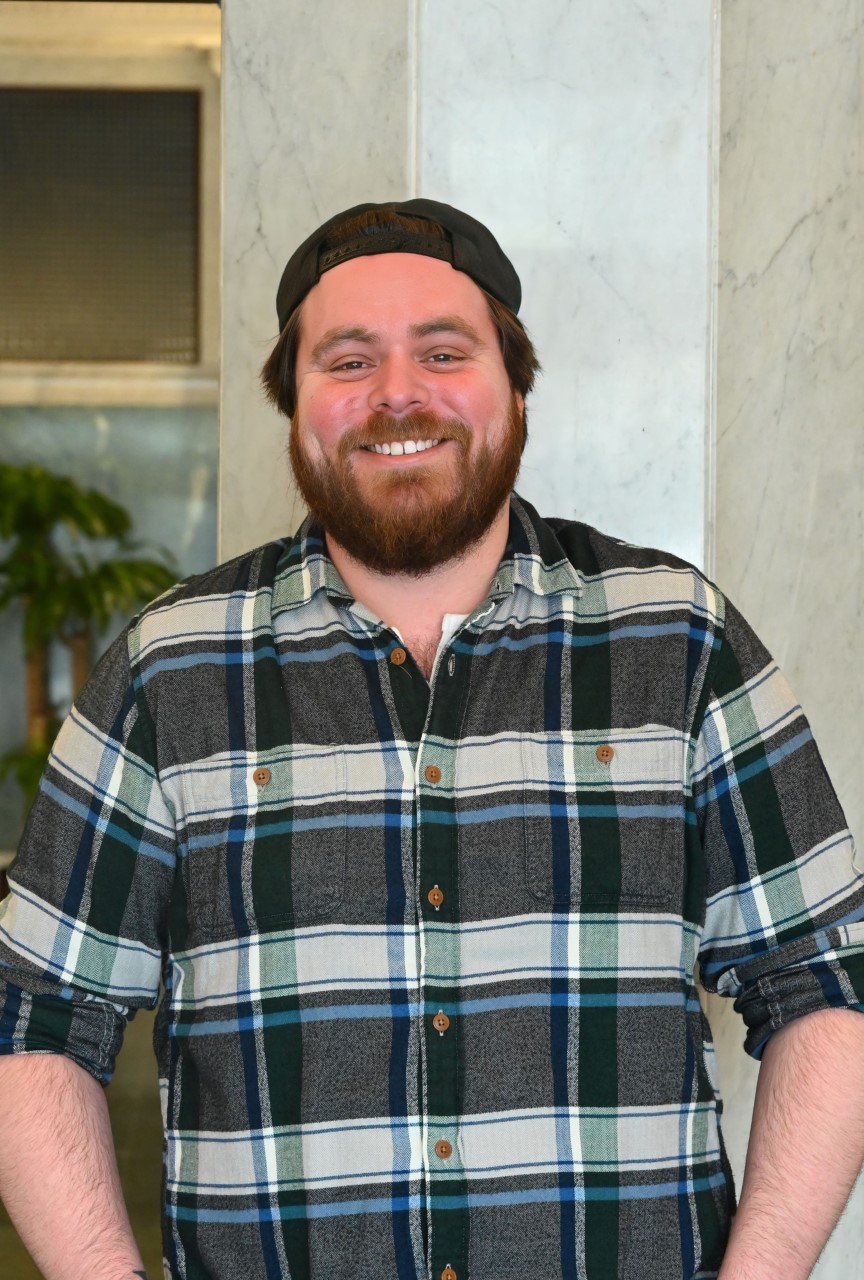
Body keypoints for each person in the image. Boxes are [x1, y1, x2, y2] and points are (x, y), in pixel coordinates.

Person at [1, 199, 863, 1280]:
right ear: (294, 404)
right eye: (348, 360)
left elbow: (829, 986)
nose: (397, 393)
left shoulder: (679, 640)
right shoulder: (167, 669)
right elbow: (33, 1023)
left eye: (444, 352)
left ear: (516, 388)